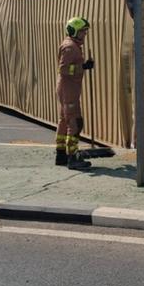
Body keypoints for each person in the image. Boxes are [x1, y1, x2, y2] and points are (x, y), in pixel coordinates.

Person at [55, 17, 95, 171]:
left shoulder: (72, 45)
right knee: (75, 122)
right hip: (69, 89)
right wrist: (83, 67)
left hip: (67, 88)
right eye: (83, 31)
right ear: (75, 32)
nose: (85, 34)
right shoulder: (70, 47)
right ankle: (73, 157)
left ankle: (61, 155)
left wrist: (82, 66)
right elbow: (64, 69)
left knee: (64, 120)